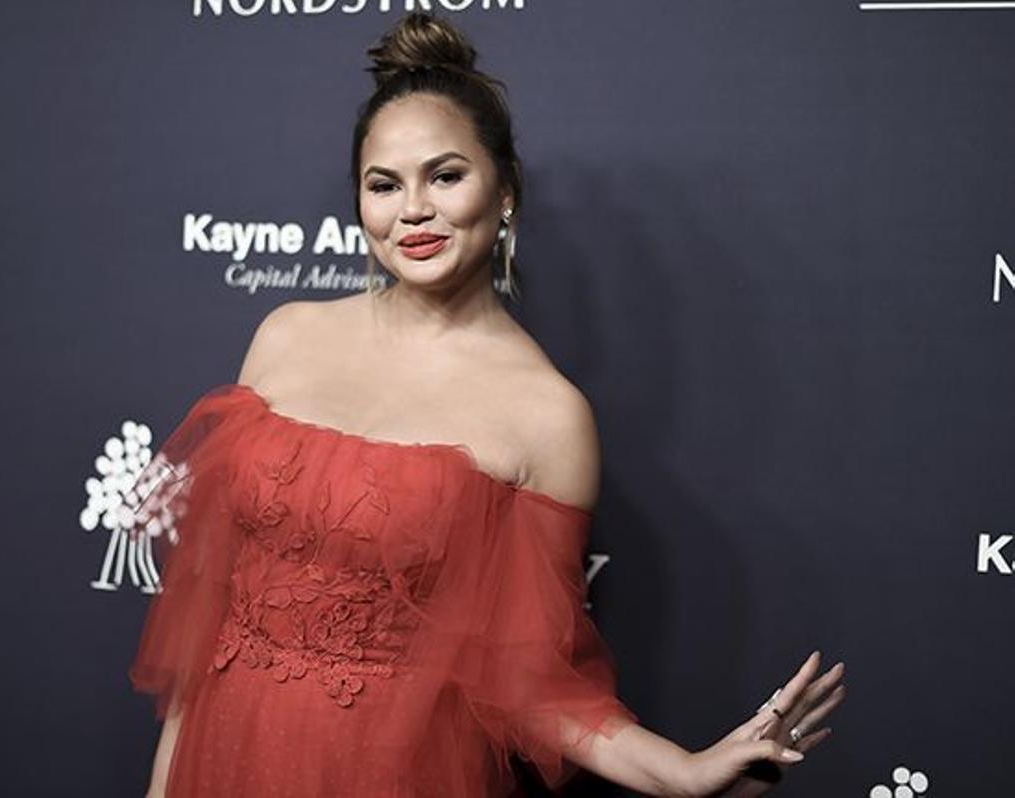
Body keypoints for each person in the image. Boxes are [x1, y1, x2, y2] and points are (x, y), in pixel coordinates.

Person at [129, 12, 846, 798]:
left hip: (390, 770)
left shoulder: (547, 415)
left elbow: (531, 682)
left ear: (505, 190)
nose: (413, 210)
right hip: (227, 751)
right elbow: (211, 615)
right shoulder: (283, 337)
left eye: (445, 176)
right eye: (384, 185)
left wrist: (680, 773)